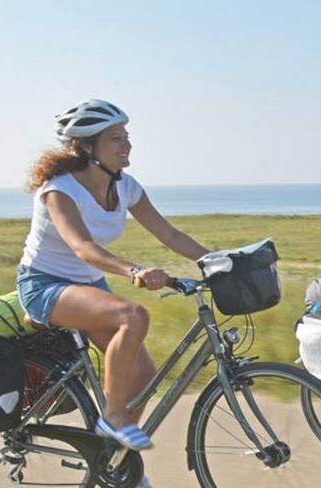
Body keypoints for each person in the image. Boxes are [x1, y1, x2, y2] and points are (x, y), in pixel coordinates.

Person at [18, 99, 211, 465]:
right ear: (86, 147)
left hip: (87, 288)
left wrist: (215, 260)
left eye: (126, 136)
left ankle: (109, 455)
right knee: (133, 316)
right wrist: (135, 270)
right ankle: (113, 416)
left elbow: (169, 233)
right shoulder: (59, 190)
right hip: (45, 285)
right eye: (114, 139)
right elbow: (83, 248)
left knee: (143, 374)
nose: (126, 146)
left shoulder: (126, 187)